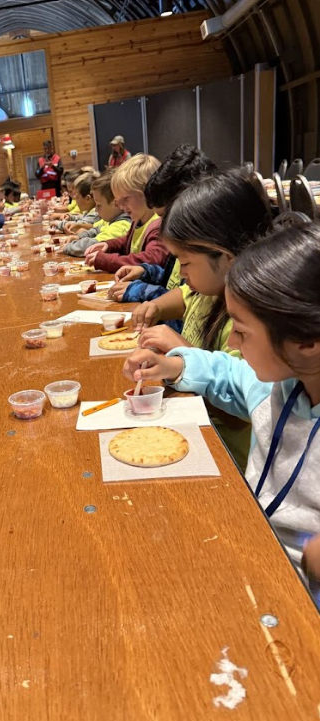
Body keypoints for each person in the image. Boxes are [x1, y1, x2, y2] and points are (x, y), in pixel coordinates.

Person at [124, 223, 320, 585]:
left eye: (242, 331)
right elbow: (230, 374)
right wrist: (175, 365)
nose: (231, 338)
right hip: (245, 540)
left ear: (306, 342)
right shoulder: (281, 385)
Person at [130, 171, 273, 470]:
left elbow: (246, 395)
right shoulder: (206, 288)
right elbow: (184, 294)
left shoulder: (253, 320)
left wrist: (182, 350)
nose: (181, 274)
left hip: (226, 456)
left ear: (224, 258)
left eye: (184, 263)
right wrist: (155, 308)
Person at [107, 145, 219, 304]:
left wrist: (141, 291)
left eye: (166, 216)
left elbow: (185, 305)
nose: (163, 225)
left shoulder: (204, 251)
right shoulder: (184, 242)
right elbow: (174, 280)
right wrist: (146, 272)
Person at [84, 154, 166, 273]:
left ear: (146, 193)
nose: (121, 207)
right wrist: (108, 245)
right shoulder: (139, 219)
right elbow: (127, 242)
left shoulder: (158, 226)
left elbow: (150, 260)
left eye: (126, 199)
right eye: (118, 201)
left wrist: (107, 260)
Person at [62, 172, 130, 257]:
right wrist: (79, 237)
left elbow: (93, 246)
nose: (96, 210)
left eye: (99, 205)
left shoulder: (122, 225)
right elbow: (97, 229)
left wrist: (66, 247)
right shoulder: (112, 219)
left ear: (115, 204)